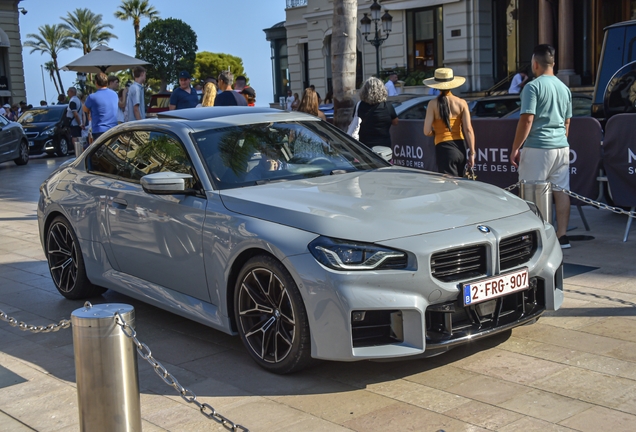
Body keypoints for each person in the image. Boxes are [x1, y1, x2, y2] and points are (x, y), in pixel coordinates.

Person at [511, 44, 573, 249]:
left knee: (531, 192)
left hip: (538, 147)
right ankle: (562, 236)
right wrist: (560, 140)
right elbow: (567, 122)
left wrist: (515, 147)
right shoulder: (564, 88)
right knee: (562, 191)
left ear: (535, 64)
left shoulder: (533, 87)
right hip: (561, 147)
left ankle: (536, 236)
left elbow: (527, 120)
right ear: (553, 64)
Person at [423, 68, 476, 177]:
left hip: (444, 149)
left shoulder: (432, 104)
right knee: (461, 185)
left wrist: (437, 132)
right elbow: (468, 130)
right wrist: (472, 153)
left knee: (448, 188)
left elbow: (426, 131)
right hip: (460, 147)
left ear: (436, 85)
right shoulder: (462, 103)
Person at [355, 77, 399, 148]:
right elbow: (395, 122)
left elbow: (355, 122)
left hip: (363, 147)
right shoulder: (387, 106)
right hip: (384, 148)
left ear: (364, 91)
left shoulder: (359, 105)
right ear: (382, 90)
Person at [84, 72, 118, 141]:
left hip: (99, 130)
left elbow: (84, 109)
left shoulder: (92, 97)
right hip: (114, 129)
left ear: (96, 82)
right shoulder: (114, 94)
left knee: (100, 151)